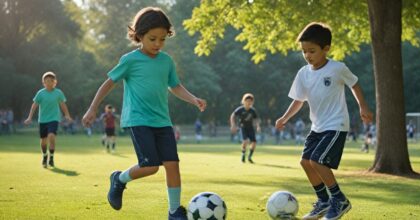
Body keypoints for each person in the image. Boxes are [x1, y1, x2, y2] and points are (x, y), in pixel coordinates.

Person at [81, 7, 206, 220]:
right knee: (150, 167)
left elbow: (175, 86)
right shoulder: (130, 60)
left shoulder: (166, 61)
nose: (158, 44)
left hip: (162, 121)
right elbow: (109, 83)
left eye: (162, 39)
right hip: (138, 120)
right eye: (152, 39)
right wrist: (93, 108)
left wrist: (193, 99)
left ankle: (174, 211)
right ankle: (119, 179)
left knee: (172, 165)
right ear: (139, 36)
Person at [274, 22, 373, 220]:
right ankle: (323, 202)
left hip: (336, 125)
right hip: (317, 127)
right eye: (304, 51)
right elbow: (298, 100)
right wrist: (285, 117)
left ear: (326, 48)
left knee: (317, 161)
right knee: (305, 162)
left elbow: (354, 84)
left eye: (312, 51)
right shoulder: (303, 73)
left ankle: (339, 199)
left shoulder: (337, 68)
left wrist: (363, 106)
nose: (307, 55)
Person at [24, 72, 72, 168]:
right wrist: (29, 117)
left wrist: (67, 115)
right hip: (42, 120)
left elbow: (63, 104)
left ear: (55, 82)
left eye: (51, 81)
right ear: (43, 83)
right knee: (43, 141)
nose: (49, 83)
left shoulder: (58, 93)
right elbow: (34, 105)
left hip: (54, 119)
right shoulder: (40, 93)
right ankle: (45, 156)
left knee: (51, 136)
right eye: (46, 81)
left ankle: (51, 158)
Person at [230, 93, 261, 163]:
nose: (249, 102)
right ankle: (243, 154)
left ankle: (249, 156)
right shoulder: (240, 109)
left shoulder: (253, 110)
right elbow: (232, 115)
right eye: (247, 100)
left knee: (254, 143)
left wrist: (258, 126)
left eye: (250, 101)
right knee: (245, 141)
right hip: (243, 127)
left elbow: (256, 119)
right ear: (244, 101)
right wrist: (233, 125)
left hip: (251, 128)